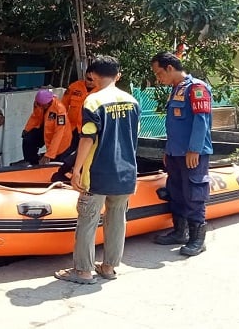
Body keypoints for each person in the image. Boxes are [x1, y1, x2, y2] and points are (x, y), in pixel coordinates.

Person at [54, 55, 140, 284]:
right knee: (117, 220)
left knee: (88, 220)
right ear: (117, 75)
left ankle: (82, 271)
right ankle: (109, 267)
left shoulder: (93, 102)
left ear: (92, 76)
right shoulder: (133, 101)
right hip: (126, 172)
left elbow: (87, 138)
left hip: (98, 173)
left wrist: (78, 169)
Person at [150, 51, 213, 257]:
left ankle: (197, 240)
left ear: (170, 68)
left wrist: (194, 149)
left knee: (194, 193)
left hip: (192, 153)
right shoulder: (176, 89)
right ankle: (180, 231)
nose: (159, 79)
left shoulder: (197, 88)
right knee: (176, 191)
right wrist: (169, 151)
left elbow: (200, 121)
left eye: (159, 73)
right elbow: (175, 125)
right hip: (175, 152)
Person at [21, 88, 73, 166]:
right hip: (45, 130)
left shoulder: (60, 111)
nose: (39, 106)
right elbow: (35, 116)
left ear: (48, 103)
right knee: (28, 140)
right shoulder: (38, 103)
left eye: (42, 105)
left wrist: (49, 154)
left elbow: (59, 134)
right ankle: (32, 163)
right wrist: (27, 129)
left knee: (55, 164)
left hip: (60, 140)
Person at [61, 66, 96, 150]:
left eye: (94, 80)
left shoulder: (101, 91)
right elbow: (63, 106)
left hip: (88, 130)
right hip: (71, 128)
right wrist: (61, 124)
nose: (91, 82)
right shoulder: (74, 87)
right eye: (89, 79)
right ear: (85, 76)